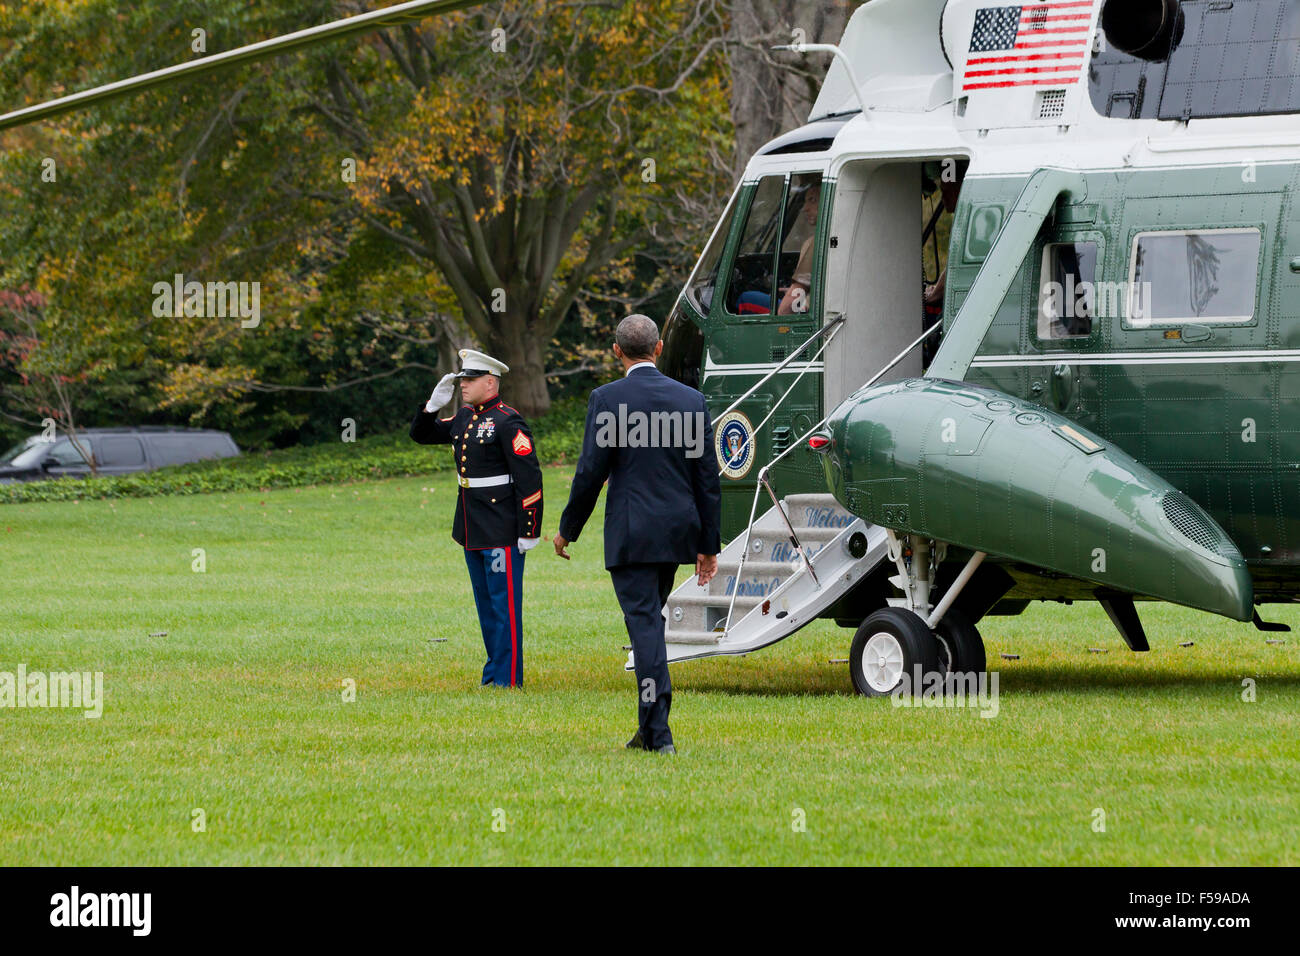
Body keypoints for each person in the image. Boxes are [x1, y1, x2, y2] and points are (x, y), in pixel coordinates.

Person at [553, 315, 721, 754]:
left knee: (645, 626)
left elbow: (591, 471)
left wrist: (567, 530)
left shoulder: (608, 399)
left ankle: (660, 735)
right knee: (649, 624)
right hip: (676, 534)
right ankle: (647, 731)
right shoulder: (690, 400)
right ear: (660, 348)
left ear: (616, 351)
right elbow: (707, 478)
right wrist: (708, 545)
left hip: (632, 534)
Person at [410, 349, 543, 688]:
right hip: (471, 525)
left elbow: (529, 478)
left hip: (501, 527)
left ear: (490, 381)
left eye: (469, 380)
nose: (463, 386)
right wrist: (432, 406)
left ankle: (508, 679)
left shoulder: (508, 420)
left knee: (505, 609)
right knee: (486, 607)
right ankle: (493, 674)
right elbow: (420, 435)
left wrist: (529, 530)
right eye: (461, 380)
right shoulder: (464, 417)